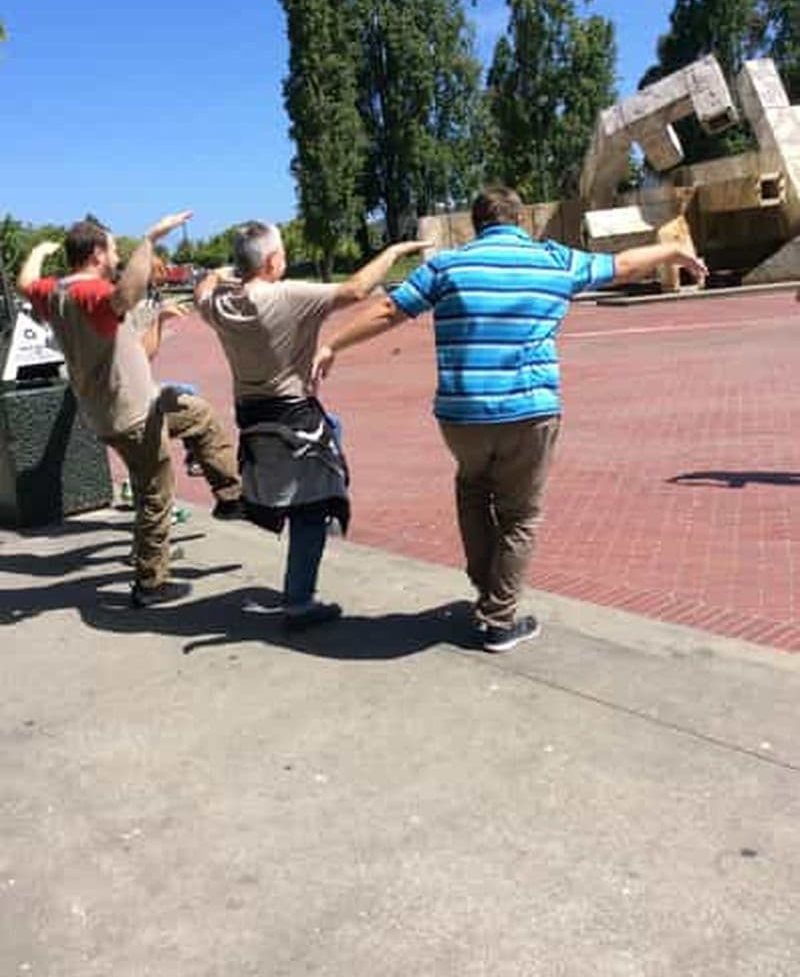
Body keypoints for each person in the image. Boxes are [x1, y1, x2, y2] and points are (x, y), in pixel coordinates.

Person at [312, 185, 708, 652]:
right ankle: (500, 619)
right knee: (520, 515)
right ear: (520, 221)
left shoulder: (447, 265)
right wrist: (675, 250)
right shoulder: (553, 260)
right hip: (529, 413)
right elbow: (621, 265)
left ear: (477, 224)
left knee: (473, 492)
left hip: (462, 414)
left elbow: (388, 310)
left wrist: (332, 343)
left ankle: (488, 590)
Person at [194, 222, 428, 630]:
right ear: (271, 261)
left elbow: (201, 292)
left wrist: (216, 275)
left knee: (330, 431)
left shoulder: (219, 306)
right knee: (311, 512)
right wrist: (392, 253)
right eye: (281, 252)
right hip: (293, 418)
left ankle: (289, 506)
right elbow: (356, 289)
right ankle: (299, 603)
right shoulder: (287, 296)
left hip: (253, 417)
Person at [17, 213, 243, 608]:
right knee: (154, 493)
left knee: (199, 415)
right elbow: (129, 293)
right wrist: (150, 239)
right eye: (113, 248)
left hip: (129, 407)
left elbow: (24, 283)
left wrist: (37, 251)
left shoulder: (54, 292)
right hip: (132, 416)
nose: (118, 254)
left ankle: (230, 497)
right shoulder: (89, 294)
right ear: (97, 254)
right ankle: (150, 584)